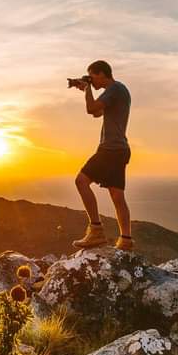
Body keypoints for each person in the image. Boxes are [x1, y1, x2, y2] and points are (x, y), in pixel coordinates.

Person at [70, 60, 133, 250]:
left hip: (110, 149)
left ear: (101, 74)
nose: (92, 82)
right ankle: (126, 240)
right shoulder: (117, 91)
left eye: (92, 77)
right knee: (117, 195)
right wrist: (86, 90)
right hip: (118, 149)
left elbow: (91, 109)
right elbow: (96, 113)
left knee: (81, 181)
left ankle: (96, 231)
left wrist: (87, 89)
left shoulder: (114, 89)